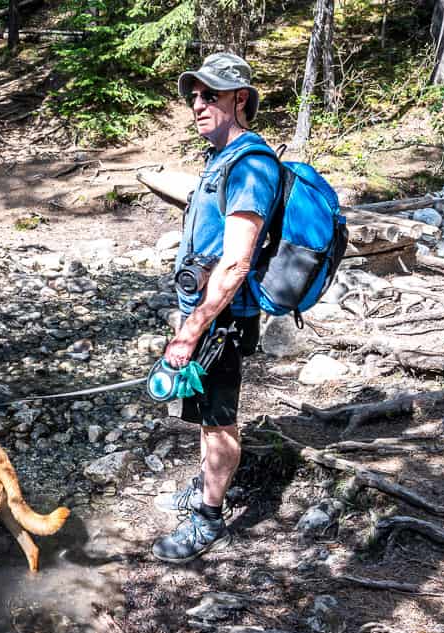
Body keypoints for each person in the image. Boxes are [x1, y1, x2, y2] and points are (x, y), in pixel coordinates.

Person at [151, 53, 280, 563]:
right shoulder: (221, 158)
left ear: (239, 98)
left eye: (210, 95)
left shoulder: (250, 164)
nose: (197, 104)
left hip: (221, 318)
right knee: (205, 413)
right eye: (194, 96)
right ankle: (208, 484)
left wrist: (190, 332)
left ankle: (208, 520)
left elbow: (236, 263)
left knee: (219, 418)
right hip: (204, 312)